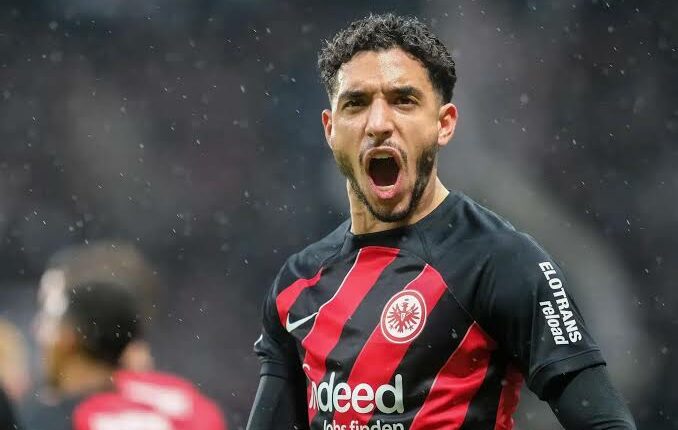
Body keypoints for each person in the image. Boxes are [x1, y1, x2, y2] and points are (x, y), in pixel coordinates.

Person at [247, 13, 636, 430]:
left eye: (403, 100)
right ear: (330, 129)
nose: (378, 124)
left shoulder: (501, 261)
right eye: (356, 103)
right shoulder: (297, 284)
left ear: (444, 124)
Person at [23, 242, 227, 430]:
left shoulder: (58, 418)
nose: (37, 330)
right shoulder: (188, 402)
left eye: (49, 316)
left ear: (70, 335)